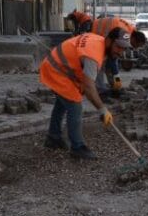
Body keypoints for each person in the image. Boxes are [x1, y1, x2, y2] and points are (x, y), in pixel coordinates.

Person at [39, 28, 128, 160]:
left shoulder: (100, 41)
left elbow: (90, 75)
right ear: (109, 41)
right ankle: (77, 147)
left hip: (57, 66)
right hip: (56, 70)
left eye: (124, 48)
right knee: (75, 106)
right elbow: (88, 87)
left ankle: (53, 137)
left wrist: (115, 78)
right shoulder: (93, 54)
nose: (121, 52)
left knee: (62, 103)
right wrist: (102, 109)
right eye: (118, 47)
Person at [90, 16, 148, 90]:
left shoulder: (131, 32)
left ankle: (111, 84)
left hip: (100, 29)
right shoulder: (125, 35)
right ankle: (100, 88)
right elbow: (113, 59)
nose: (135, 48)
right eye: (136, 45)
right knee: (100, 64)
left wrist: (116, 80)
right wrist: (117, 80)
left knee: (109, 62)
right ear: (134, 39)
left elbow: (113, 59)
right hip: (95, 30)